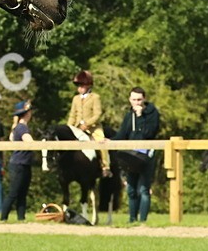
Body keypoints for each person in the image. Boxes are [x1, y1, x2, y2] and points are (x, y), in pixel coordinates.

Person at [111, 87, 161, 223]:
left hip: (146, 154)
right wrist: (110, 141)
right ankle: (132, 219)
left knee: (144, 189)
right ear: (129, 100)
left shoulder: (152, 113)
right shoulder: (129, 115)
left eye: (139, 100)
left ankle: (143, 221)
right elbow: (122, 134)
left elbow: (149, 133)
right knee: (131, 189)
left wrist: (140, 117)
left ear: (144, 99)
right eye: (134, 100)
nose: (136, 103)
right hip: (131, 154)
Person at [67, 70, 109, 174]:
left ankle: (105, 166)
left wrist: (87, 124)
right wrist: (69, 127)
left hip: (93, 127)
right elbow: (72, 115)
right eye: (78, 85)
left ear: (89, 85)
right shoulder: (75, 98)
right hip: (77, 127)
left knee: (101, 142)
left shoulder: (95, 97)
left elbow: (97, 114)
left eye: (82, 85)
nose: (79, 88)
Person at [0, 100, 35, 222]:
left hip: (23, 163)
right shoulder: (21, 128)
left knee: (22, 193)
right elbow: (29, 142)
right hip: (19, 164)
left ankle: (21, 218)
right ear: (27, 113)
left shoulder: (18, 127)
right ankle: (3, 217)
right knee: (14, 192)